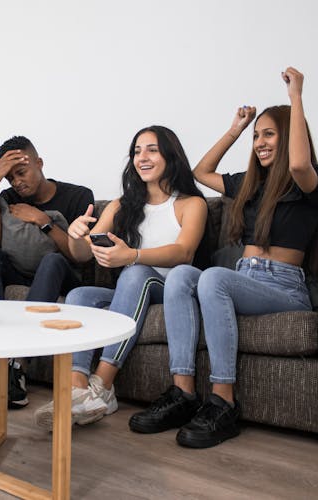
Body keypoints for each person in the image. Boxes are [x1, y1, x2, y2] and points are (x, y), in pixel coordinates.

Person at [129, 67, 318, 448]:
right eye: (258, 136)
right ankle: (183, 393)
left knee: (211, 276)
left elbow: (297, 165)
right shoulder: (250, 184)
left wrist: (296, 99)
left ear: (292, 133)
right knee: (180, 275)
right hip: (244, 278)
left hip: (283, 287)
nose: (260, 142)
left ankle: (224, 402)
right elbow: (201, 172)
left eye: (269, 134)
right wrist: (237, 128)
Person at [32, 126, 208, 429]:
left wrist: (133, 256)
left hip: (171, 287)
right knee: (79, 297)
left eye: (152, 149)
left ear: (171, 155)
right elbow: (83, 253)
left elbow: (184, 251)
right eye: (137, 151)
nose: (143, 157)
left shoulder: (191, 204)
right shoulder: (121, 205)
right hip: (134, 287)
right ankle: (77, 390)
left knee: (135, 272)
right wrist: (75, 235)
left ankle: (103, 385)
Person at [0, 136, 95, 408]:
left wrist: (43, 221)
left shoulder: (79, 195)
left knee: (52, 260)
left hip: (62, 275)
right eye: (10, 178)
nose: (17, 182)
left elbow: (79, 257)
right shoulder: (7, 197)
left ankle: (17, 366)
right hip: (19, 270)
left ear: (39, 163)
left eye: (22, 173)